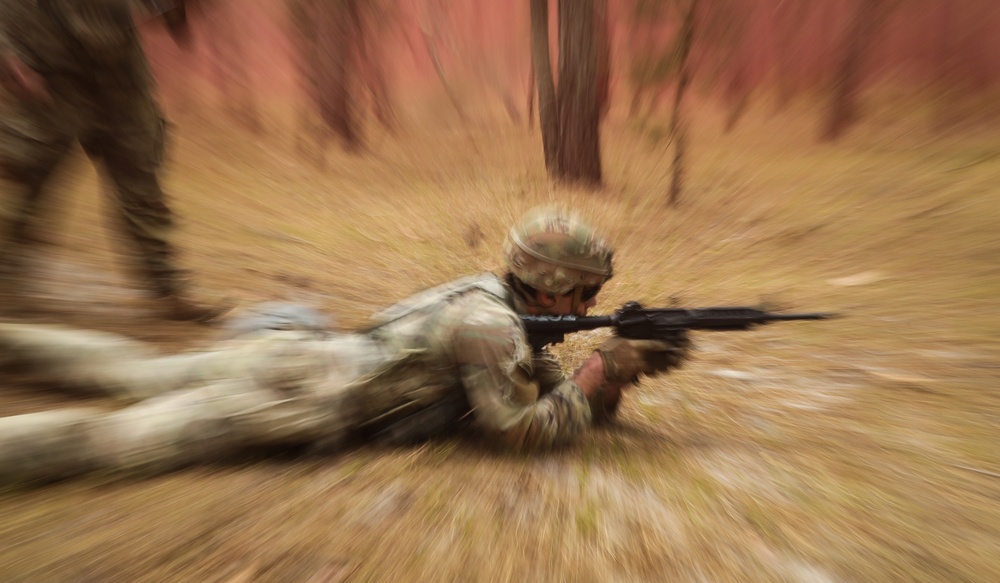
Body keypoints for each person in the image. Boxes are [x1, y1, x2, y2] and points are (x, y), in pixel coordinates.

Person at [0, 206, 690, 486]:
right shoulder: (491, 326)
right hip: (297, 400)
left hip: (296, 358)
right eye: (586, 292)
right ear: (551, 285)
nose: (591, 304)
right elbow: (514, 428)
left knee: (134, 371)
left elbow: (532, 373)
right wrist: (600, 366)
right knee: (110, 444)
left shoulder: (486, 294)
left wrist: (612, 378)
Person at [0, 0, 229, 321]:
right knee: (28, 173)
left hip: (118, 70)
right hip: (48, 66)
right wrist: (7, 58)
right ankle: (6, 281)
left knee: (141, 172)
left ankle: (166, 289)